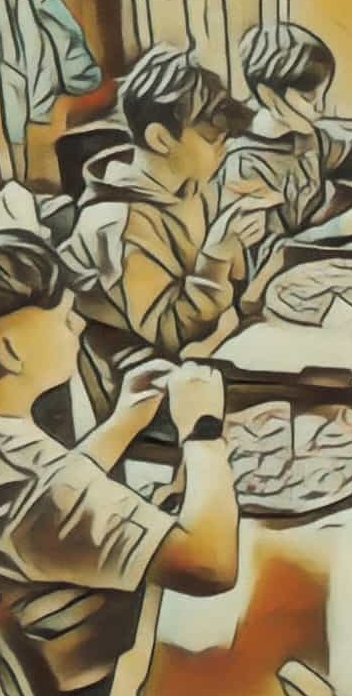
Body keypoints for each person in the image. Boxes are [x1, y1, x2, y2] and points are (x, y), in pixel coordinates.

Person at [0, 231, 239, 696]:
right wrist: (203, 431)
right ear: (11, 350)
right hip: (93, 676)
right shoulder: (39, 479)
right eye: (64, 318)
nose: (79, 325)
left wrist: (125, 421)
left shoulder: (4, 450)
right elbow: (210, 565)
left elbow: (53, 505)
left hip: (24, 677)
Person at [59, 44, 270, 417]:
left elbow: (232, 288)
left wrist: (237, 241)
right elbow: (170, 333)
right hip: (138, 383)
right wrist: (216, 256)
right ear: (160, 139)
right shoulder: (118, 223)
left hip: (204, 347)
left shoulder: (194, 183)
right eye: (211, 137)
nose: (225, 146)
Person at [220, 23, 352, 264]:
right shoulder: (244, 167)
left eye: (323, 95)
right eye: (308, 98)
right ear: (268, 95)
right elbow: (267, 257)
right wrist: (345, 226)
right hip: (289, 275)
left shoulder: (306, 136)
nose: (321, 108)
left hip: (325, 255)